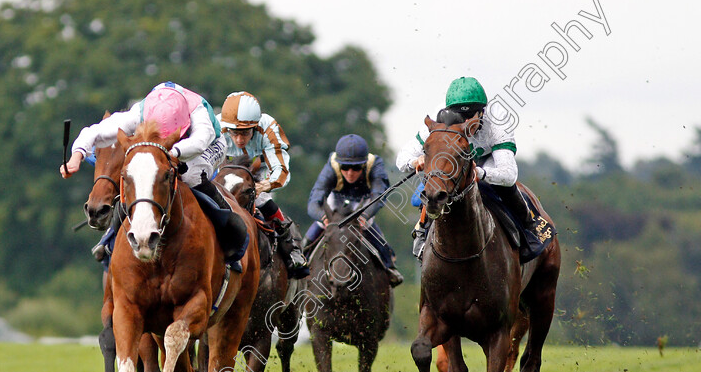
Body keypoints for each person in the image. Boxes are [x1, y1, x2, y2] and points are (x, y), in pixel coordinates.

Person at [60, 81, 246, 267]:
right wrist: (76, 157)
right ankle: (112, 234)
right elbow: (95, 132)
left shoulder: (198, 112)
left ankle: (227, 228)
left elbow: (199, 142)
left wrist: (170, 154)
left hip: (209, 145)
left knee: (190, 175)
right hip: (163, 147)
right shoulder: (139, 112)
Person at [396, 76, 536, 260]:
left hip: (487, 163)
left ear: (482, 113)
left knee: (504, 187)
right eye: (462, 116)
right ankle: (423, 231)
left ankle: (528, 229)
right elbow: (401, 159)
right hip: (455, 166)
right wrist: (416, 161)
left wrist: (478, 172)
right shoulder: (440, 119)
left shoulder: (498, 121)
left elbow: (508, 174)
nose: (466, 122)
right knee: (432, 187)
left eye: (471, 116)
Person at [217, 91, 309, 279]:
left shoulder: (268, 129)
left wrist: (264, 186)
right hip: (227, 170)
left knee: (263, 200)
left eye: (245, 133)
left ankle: (291, 250)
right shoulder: (217, 128)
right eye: (235, 133)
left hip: (261, 170)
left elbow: (281, 171)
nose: (240, 140)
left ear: (255, 126)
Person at [304, 134, 404, 287]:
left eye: (356, 168)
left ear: (364, 165)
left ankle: (389, 266)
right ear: (339, 164)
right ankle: (300, 264)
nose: (350, 173)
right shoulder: (331, 165)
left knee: (375, 235)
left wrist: (365, 215)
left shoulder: (375, 164)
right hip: (336, 202)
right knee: (312, 234)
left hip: (363, 204)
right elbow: (313, 202)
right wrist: (322, 216)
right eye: (345, 167)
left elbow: (379, 196)